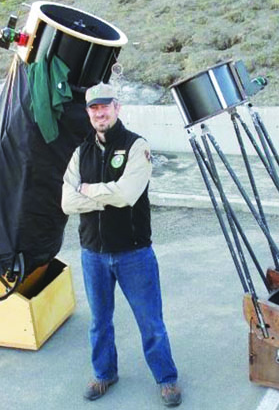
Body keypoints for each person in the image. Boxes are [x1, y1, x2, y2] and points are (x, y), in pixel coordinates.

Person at [62, 82, 181, 407]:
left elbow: (128, 195)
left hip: (134, 254)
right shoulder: (80, 152)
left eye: (105, 106)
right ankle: (104, 374)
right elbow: (66, 202)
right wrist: (105, 195)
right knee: (99, 323)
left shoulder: (135, 146)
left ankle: (166, 379)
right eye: (93, 108)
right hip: (93, 255)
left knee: (150, 322)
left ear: (117, 107)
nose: (99, 113)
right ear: (88, 113)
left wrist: (88, 191)